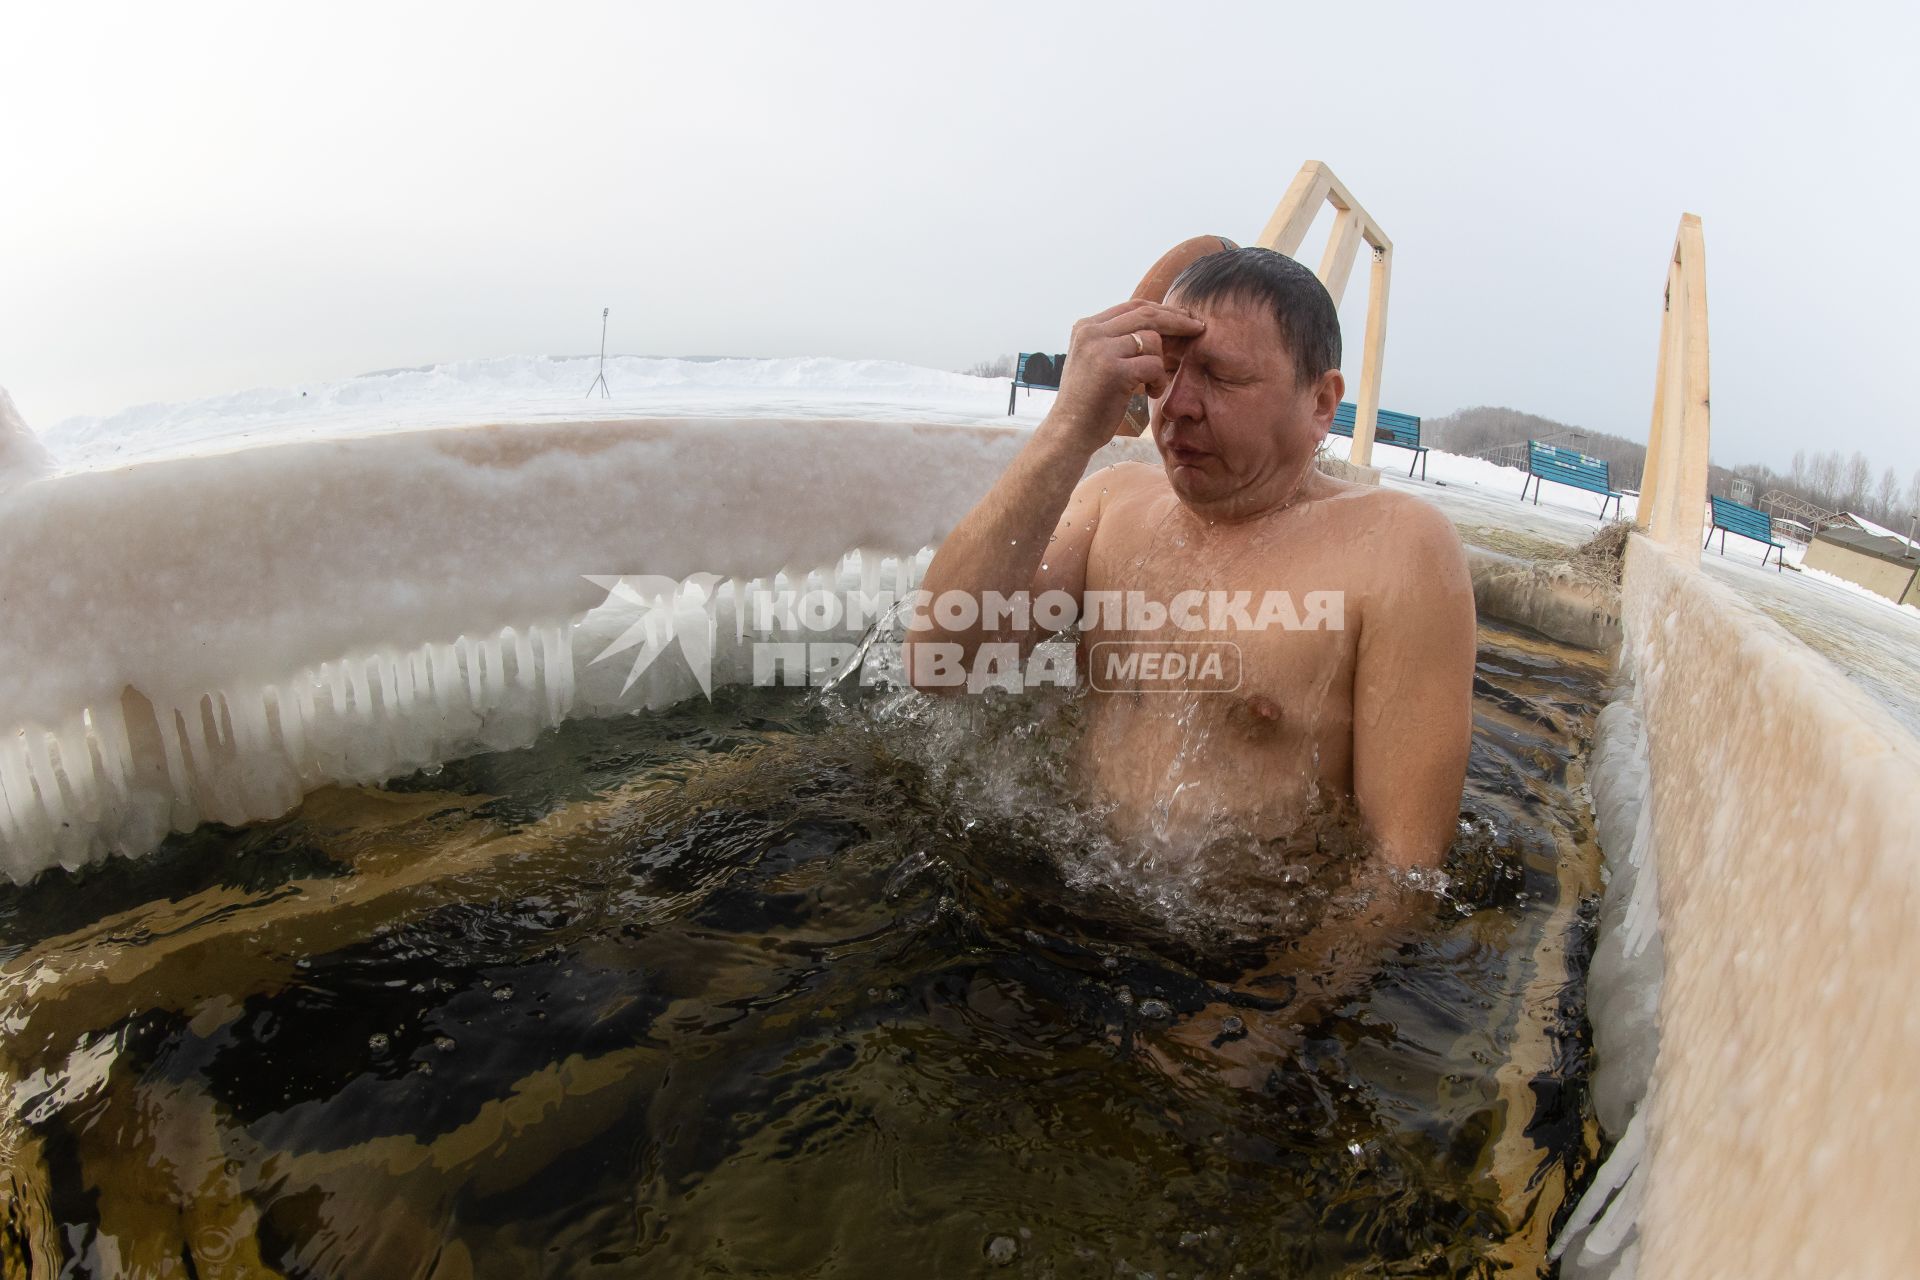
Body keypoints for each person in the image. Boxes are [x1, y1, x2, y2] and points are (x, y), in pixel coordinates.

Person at [905, 247, 1475, 874]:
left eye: (1223, 376)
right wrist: (1068, 430)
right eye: (1166, 374)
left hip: (1243, 958)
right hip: (1054, 896)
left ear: (1320, 402)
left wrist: (1288, 977)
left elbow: (1404, 870)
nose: (1176, 404)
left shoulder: (1396, 549)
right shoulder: (1111, 501)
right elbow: (937, 664)